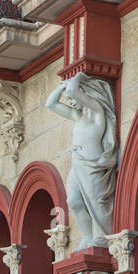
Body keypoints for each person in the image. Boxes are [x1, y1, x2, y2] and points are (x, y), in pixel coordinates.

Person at [45, 73, 118, 246]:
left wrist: (78, 76)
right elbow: (50, 103)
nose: (70, 101)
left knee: (96, 201)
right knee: (74, 201)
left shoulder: (97, 111)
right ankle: (87, 236)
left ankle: (102, 235)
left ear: (87, 93)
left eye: (73, 98)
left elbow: (72, 91)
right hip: (77, 162)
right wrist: (62, 86)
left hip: (93, 162)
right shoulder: (78, 117)